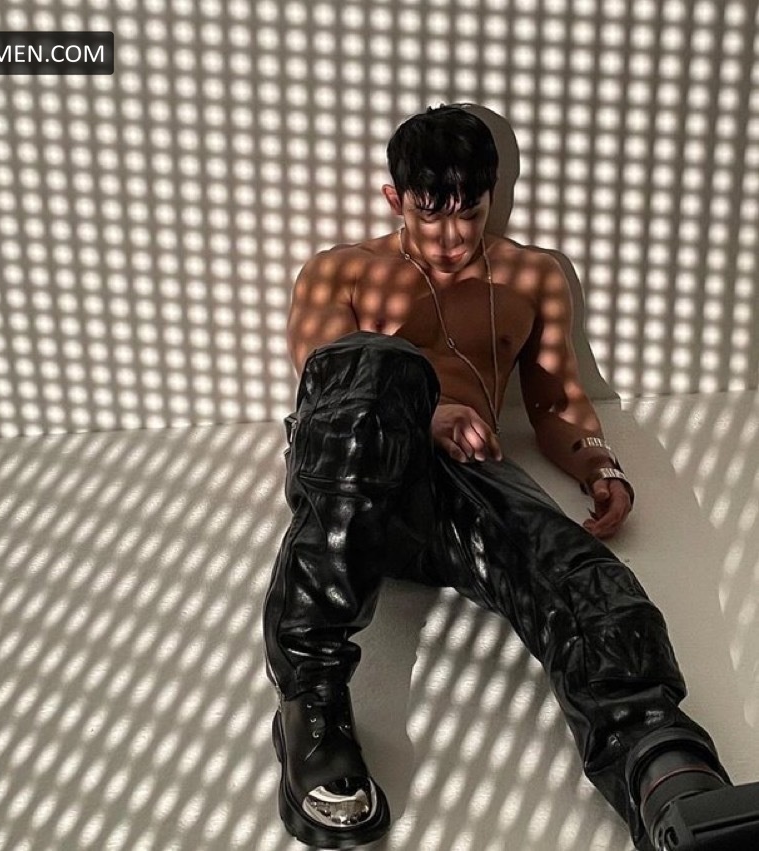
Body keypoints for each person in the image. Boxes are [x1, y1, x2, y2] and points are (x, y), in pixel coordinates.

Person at [262, 104, 759, 850]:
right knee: (379, 361)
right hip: (353, 478)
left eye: (470, 213)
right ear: (394, 199)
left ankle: (665, 773)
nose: (452, 237)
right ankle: (311, 705)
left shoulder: (532, 276)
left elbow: (556, 399)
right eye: (432, 215)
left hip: (467, 485)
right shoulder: (341, 270)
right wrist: (427, 410)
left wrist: (596, 461)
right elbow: (328, 381)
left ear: (493, 197)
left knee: (586, 578)